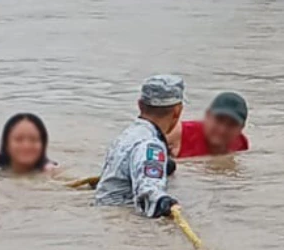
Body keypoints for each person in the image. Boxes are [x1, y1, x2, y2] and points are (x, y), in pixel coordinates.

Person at [94, 75, 183, 218]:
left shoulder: (127, 136)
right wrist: (165, 203)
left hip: (103, 214)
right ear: (177, 111)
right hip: (121, 221)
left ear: (140, 105)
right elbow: (149, 192)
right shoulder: (151, 145)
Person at [173, 91, 251, 158]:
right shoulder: (179, 134)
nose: (222, 130)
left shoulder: (241, 144)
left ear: (241, 128)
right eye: (219, 120)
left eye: (232, 124)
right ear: (207, 115)